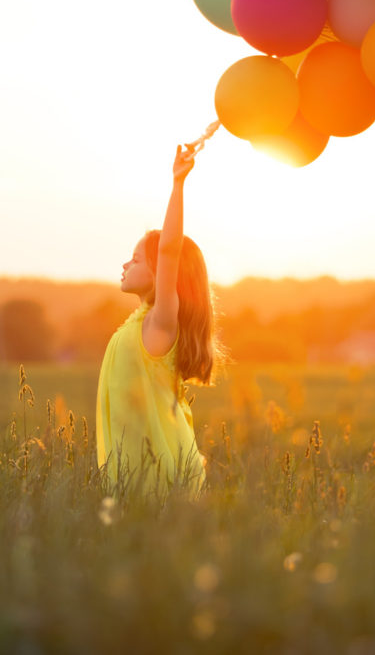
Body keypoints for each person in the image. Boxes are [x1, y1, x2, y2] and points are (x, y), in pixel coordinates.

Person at [96, 141, 219, 497]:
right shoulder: (136, 325)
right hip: (132, 479)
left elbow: (169, 250)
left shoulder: (159, 325)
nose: (125, 264)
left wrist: (178, 183)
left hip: (161, 479)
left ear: (160, 273)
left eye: (135, 259)